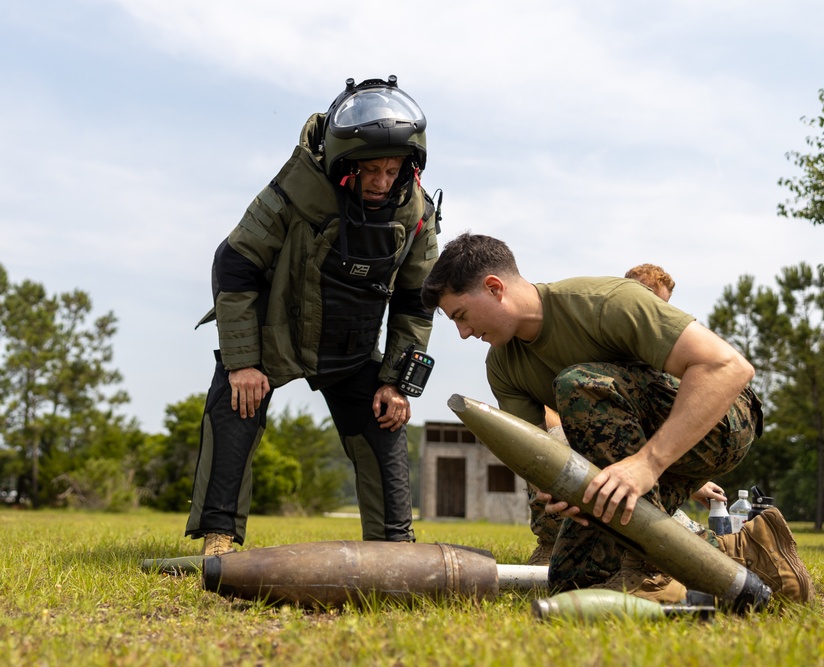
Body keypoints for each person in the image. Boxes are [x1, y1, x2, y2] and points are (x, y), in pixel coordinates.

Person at [420, 233, 814, 603]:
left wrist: (648, 463)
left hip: (722, 423)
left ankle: (652, 569)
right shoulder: (503, 366)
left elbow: (729, 368)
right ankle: (751, 552)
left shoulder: (603, 302)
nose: (463, 333)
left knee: (577, 384)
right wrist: (559, 491)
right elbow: (543, 450)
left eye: (461, 315)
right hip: (635, 451)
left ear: (494, 288)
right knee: (572, 582)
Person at [188, 76, 441, 556]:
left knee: (385, 420)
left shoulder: (416, 212)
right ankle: (217, 536)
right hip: (275, 336)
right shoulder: (296, 188)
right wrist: (243, 361)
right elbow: (235, 262)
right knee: (234, 402)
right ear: (344, 162)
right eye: (370, 170)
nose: (382, 182)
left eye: (392, 170)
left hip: (352, 346)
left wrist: (397, 382)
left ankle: (394, 547)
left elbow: (416, 300)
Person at [527, 263, 725, 565]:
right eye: (646, 300)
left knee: (654, 526)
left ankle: (719, 546)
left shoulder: (653, 353)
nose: (656, 312)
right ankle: (553, 544)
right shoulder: (599, 332)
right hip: (575, 450)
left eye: (662, 306)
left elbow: (647, 432)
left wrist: (689, 481)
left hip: (624, 470)